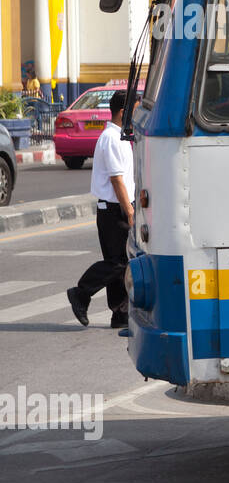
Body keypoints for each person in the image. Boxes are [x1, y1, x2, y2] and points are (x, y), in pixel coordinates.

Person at [67, 90, 134, 332]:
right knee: (120, 261)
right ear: (124, 112)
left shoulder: (121, 137)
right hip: (113, 210)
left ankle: (120, 311)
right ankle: (80, 293)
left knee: (120, 262)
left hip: (117, 208)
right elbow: (117, 181)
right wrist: (130, 211)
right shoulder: (111, 139)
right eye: (136, 110)